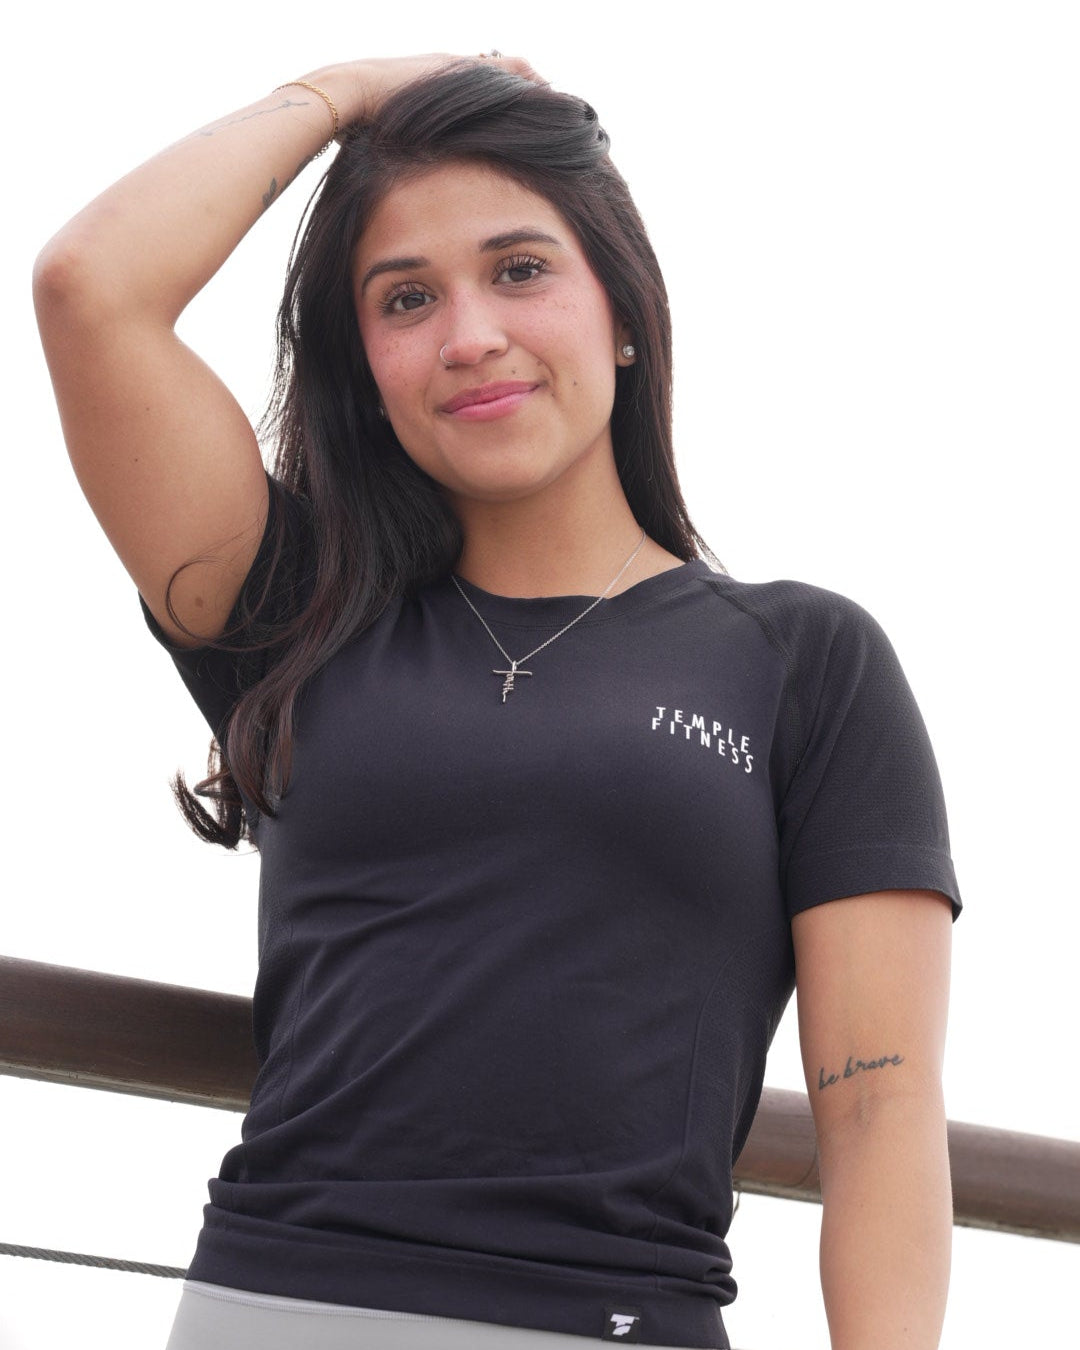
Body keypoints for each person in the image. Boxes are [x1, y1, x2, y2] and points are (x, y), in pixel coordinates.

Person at [34, 53, 961, 1350]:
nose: (469, 335)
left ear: (624, 311)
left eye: (520, 269)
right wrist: (346, 93)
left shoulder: (806, 660)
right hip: (269, 1311)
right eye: (406, 298)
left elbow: (878, 1109)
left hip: (615, 1319)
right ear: (366, 366)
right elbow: (90, 289)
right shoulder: (297, 608)